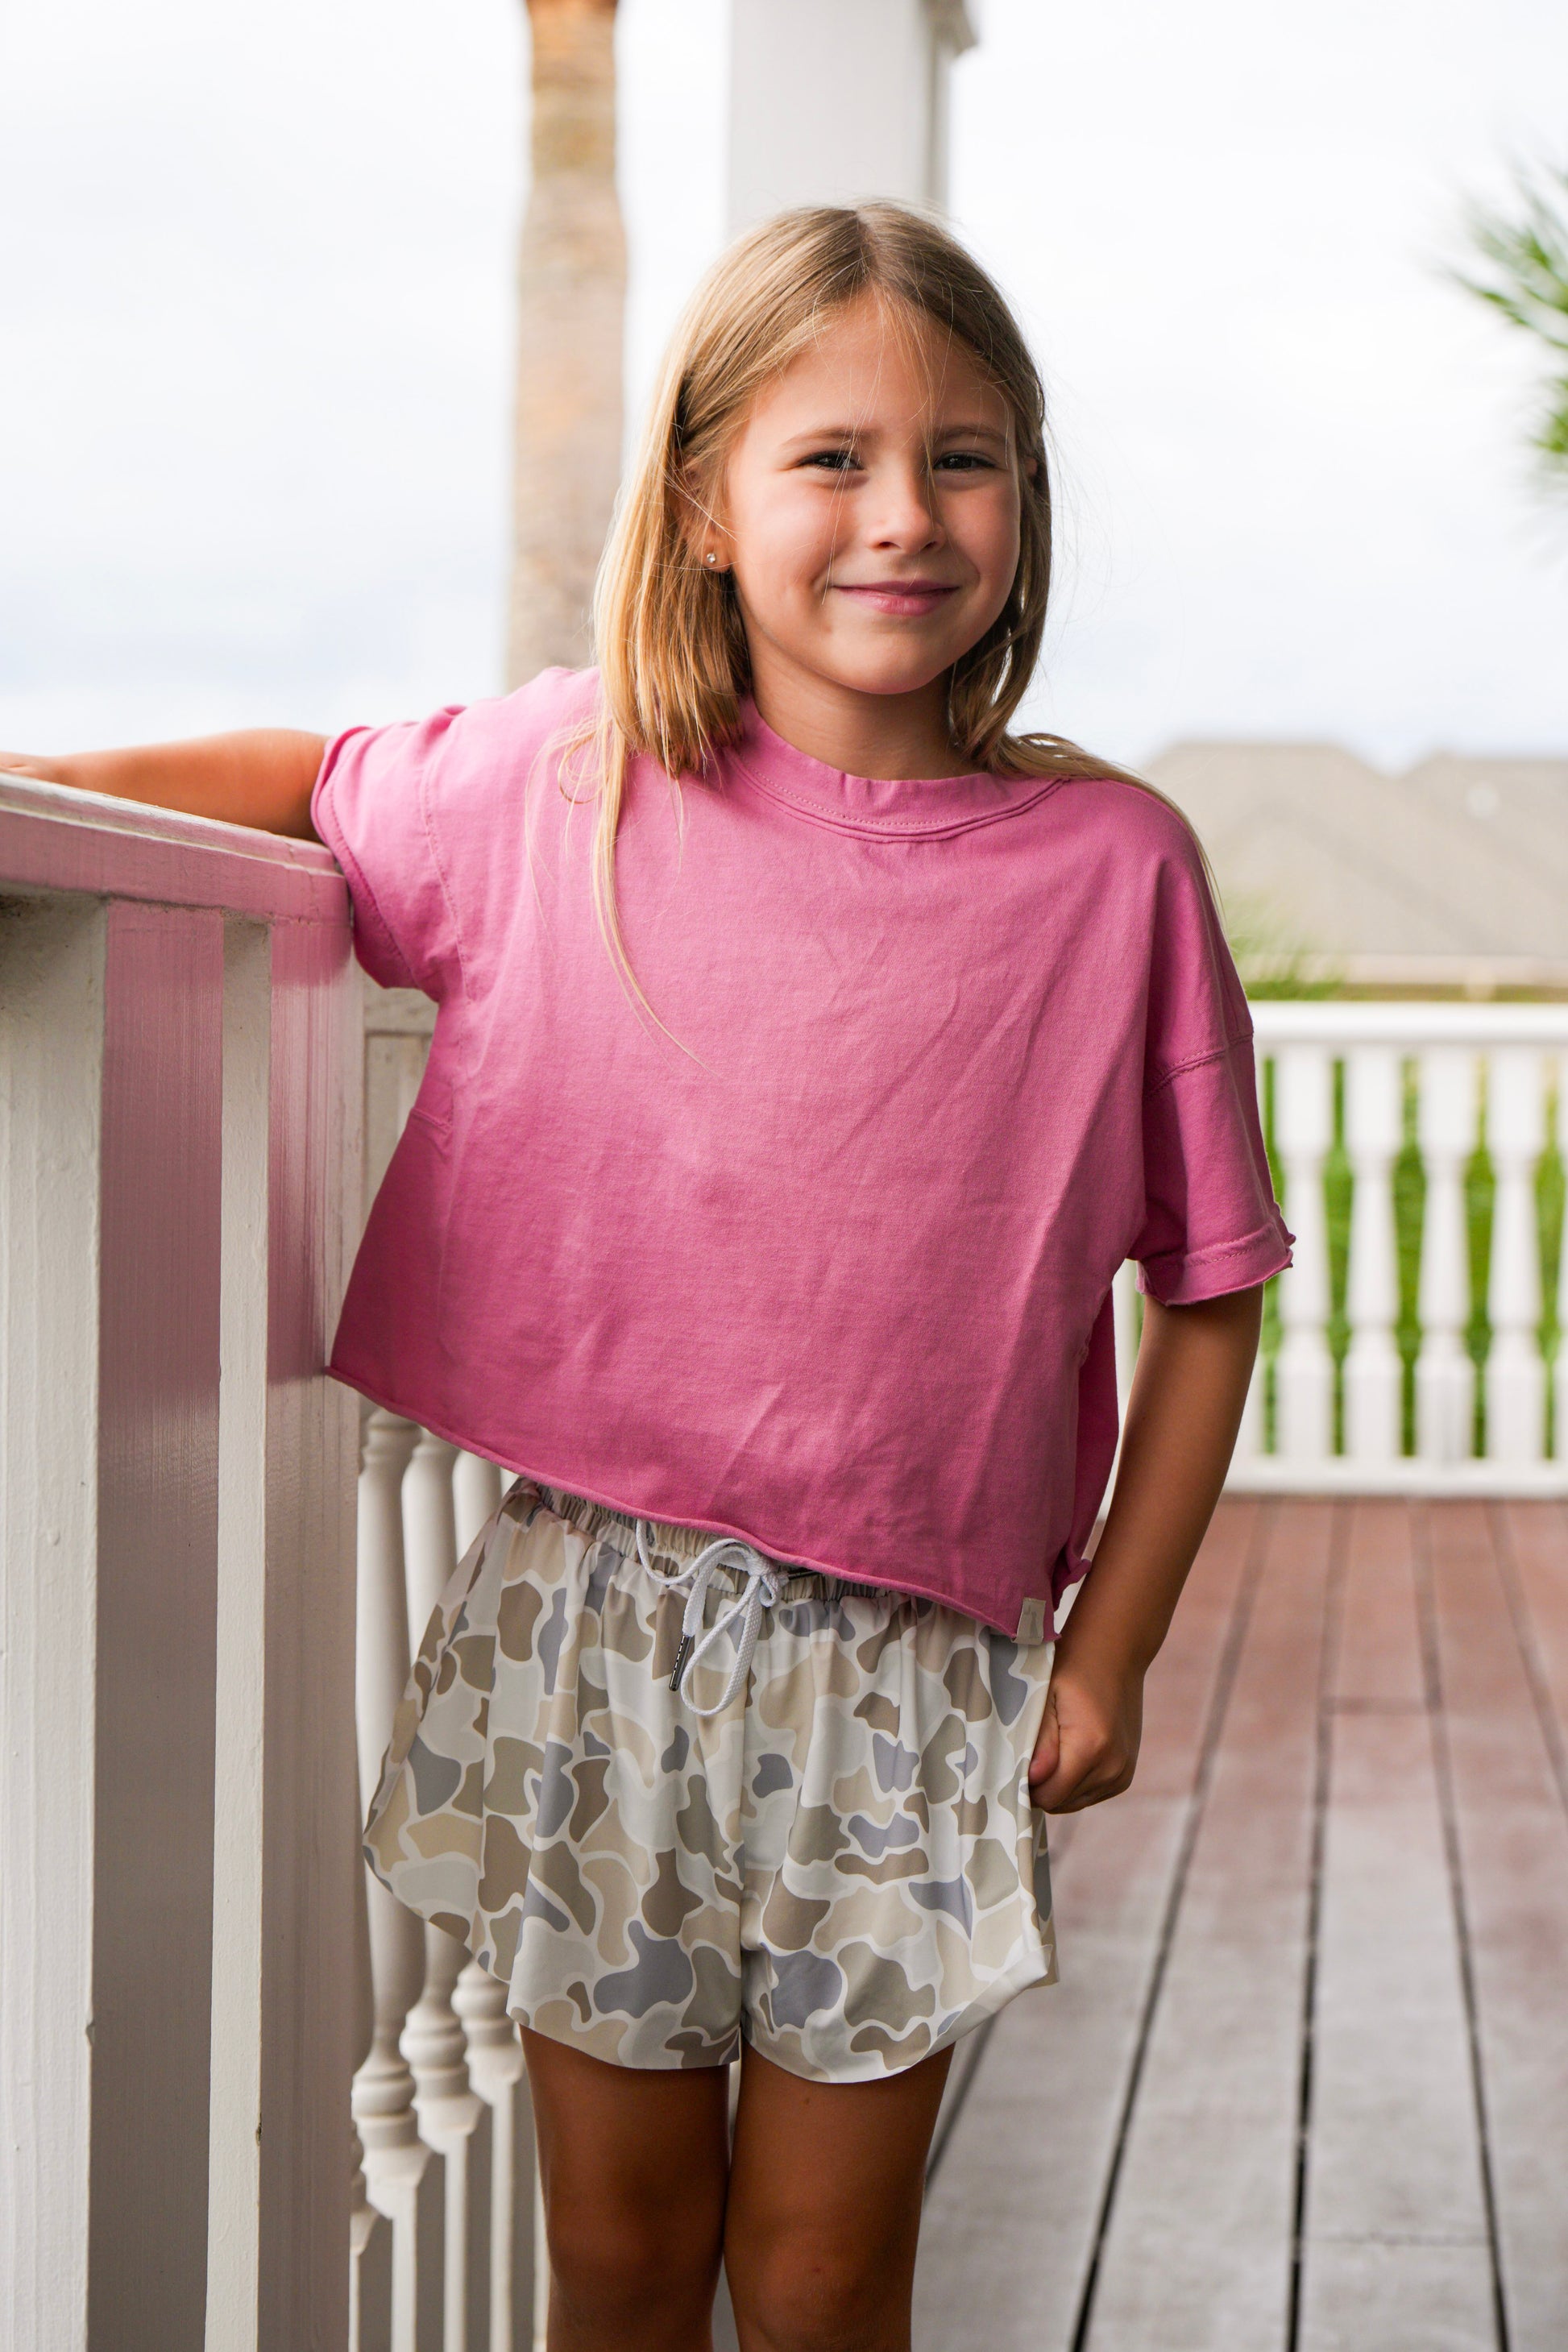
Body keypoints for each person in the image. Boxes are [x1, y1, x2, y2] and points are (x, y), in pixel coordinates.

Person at [5, 204, 1289, 2352]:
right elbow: (298, 783)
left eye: (964, 458)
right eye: (831, 457)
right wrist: (36, 794)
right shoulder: (563, 786)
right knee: (614, 2255)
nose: (905, 513)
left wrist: (1118, 1646)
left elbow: (1213, 1288)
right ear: (702, 502)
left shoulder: (1113, 871)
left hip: (912, 1670)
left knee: (822, 2275)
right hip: (591, 1631)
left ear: (1025, 496)